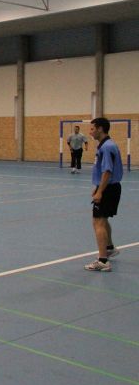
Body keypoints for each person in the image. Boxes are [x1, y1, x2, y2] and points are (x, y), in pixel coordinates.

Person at [84, 117, 123, 272]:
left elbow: (107, 171)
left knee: (97, 222)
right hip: (109, 187)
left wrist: (100, 191)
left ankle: (103, 260)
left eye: (92, 129)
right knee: (103, 220)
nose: (90, 131)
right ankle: (109, 248)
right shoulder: (106, 145)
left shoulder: (106, 147)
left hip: (108, 189)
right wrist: (98, 186)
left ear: (100, 129)